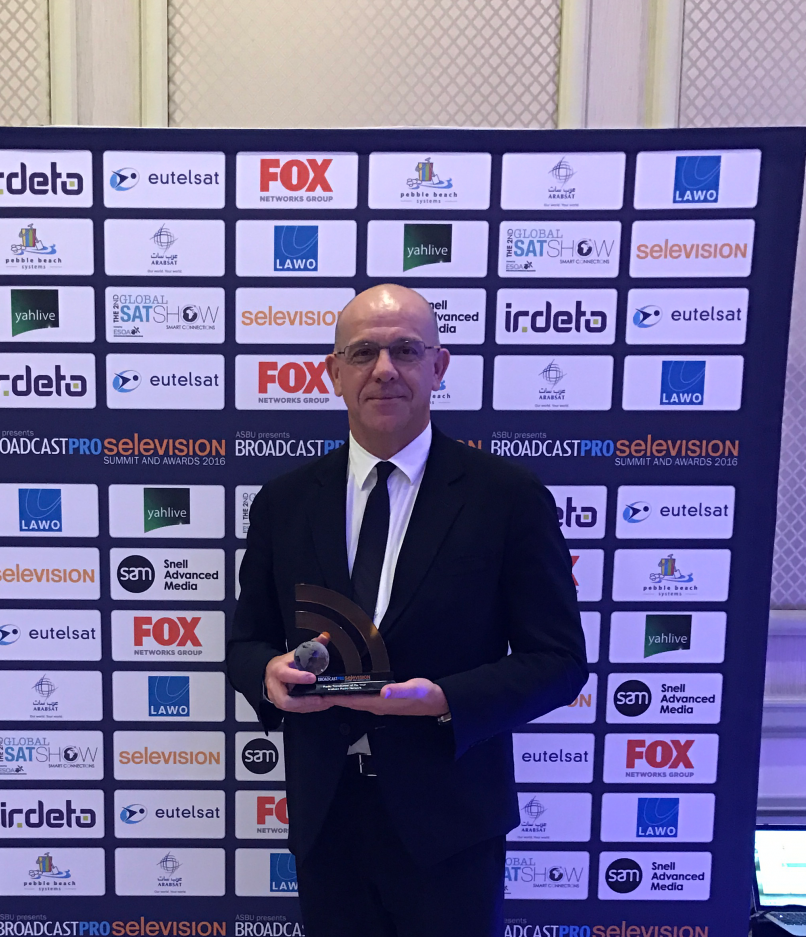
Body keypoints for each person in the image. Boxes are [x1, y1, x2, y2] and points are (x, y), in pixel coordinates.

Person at [227, 284, 587, 936]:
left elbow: (559, 661)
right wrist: (267, 674)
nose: (384, 369)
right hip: (328, 820)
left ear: (438, 366)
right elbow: (245, 643)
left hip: (451, 824)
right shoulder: (284, 503)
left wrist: (444, 699)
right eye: (363, 352)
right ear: (333, 372)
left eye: (406, 350)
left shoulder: (506, 497)